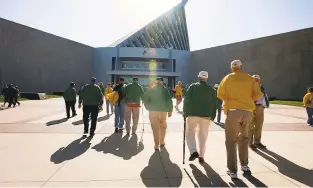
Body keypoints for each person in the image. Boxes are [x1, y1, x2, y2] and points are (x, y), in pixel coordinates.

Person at [217, 60, 263, 179]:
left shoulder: (227, 78)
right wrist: (248, 99)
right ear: (241, 67)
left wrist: (229, 99)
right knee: (244, 138)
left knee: (231, 141)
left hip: (233, 111)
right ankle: (244, 165)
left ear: (232, 68)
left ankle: (233, 170)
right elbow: (258, 94)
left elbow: (220, 93)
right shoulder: (249, 78)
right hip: (248, 111)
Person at [183, 71, 217, 163]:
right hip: (206, 115)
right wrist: (213, 115)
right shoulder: (211, 89)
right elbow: (215, 103)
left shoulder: (192, 86)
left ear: (198, 77)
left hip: (192, 114)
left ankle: (193, 151)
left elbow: (186, 99)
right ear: (207, 78)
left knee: (190, 133)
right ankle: (201, 156)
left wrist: (185, 112)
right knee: (203, 135)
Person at [143, 77, 173, 150]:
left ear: (156, 82)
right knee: (163, 126)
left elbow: (145, 99)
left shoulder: (151, 89)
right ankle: (161, 142)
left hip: (152, 111)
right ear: (162, 82)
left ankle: (156, 144)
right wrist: (170, 110)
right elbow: (169, 100)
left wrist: (148, 107)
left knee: (155, 128)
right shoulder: (165, 90)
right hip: (162, 111)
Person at [249, 75, 268, 150]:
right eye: (254, 79)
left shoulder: (261, 88)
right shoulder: (249, 88)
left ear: (259, 80)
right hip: (251, 107)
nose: (256, 81)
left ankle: (257, 142)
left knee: (259, 125)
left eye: (257, 79)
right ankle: (250, 143)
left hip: (260, 108)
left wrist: (264, 105)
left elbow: (264, 97)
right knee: (250, 126)